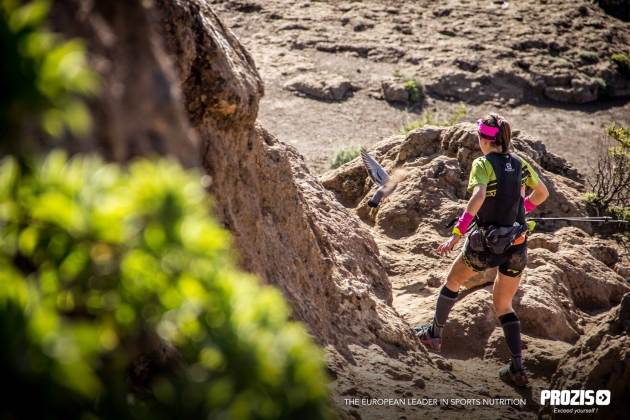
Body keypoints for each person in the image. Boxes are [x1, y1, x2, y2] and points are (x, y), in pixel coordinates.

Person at [415, 113, 549, 387]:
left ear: (483, 140)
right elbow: (542, 193)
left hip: (485, 244)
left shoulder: (482, 163)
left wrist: (456, 233)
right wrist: (523, 208)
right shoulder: (521, 163)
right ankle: (517, 368)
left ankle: (434, 335)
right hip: (516, 245)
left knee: (453, 281)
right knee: (503, 304)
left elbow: (478, 196)